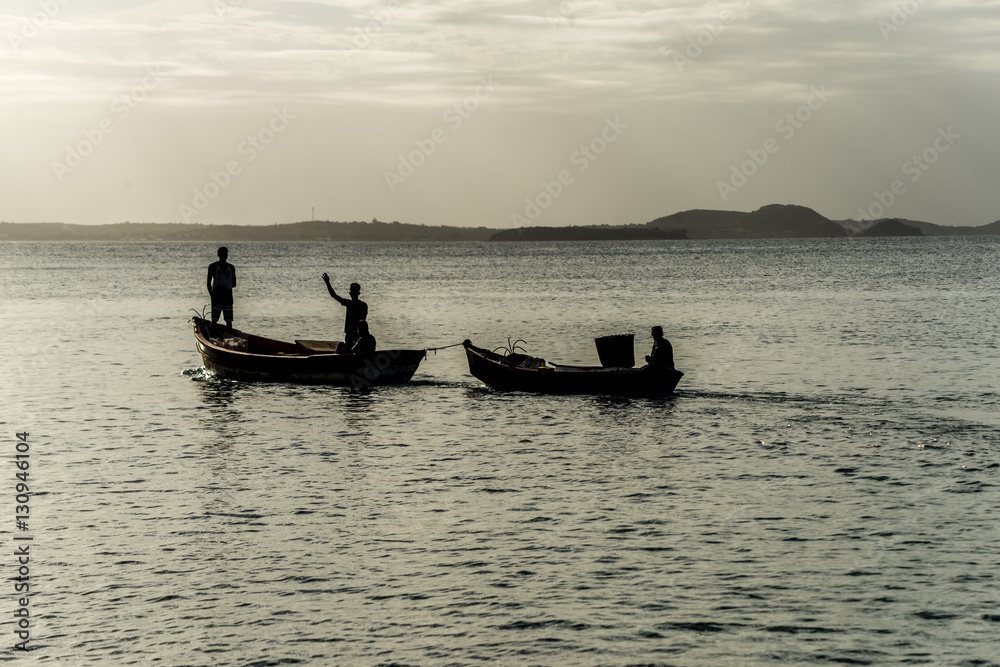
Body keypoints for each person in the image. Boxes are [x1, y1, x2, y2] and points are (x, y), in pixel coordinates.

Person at [322, 273, 368, 347]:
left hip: (353, 334)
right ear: (359, 293)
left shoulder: (350, 304)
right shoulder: (363, 305)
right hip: (358, 334)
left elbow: (333, 295)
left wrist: (327, 283)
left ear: (350, 293)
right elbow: (363, 320)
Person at [207, 247, 237, 328]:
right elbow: (234, 284)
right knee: (228, 322)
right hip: (225, 297)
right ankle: (228, 337)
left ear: (218, 255)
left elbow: (208, 284)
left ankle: (213, 337)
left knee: (215, 321)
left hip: (219, 297)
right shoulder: (231, 267)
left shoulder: (212, 266)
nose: (225, 255)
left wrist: (212, 295)